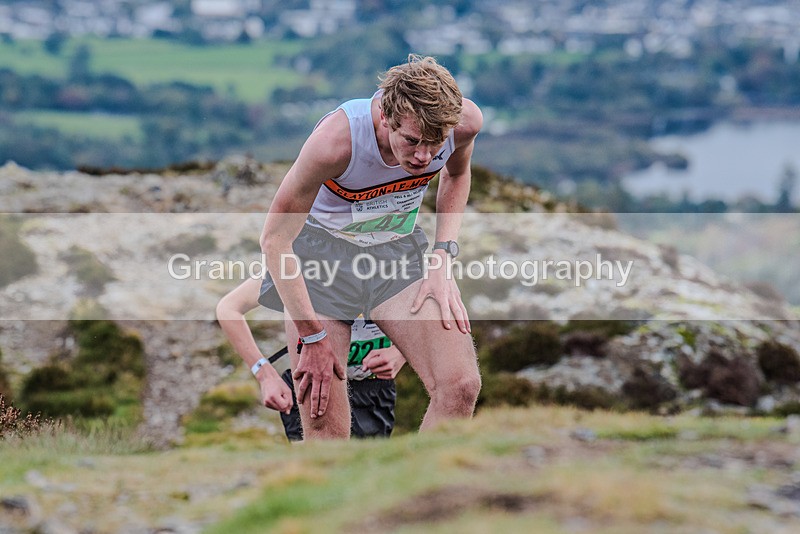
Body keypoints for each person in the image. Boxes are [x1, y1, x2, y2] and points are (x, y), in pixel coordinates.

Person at [258, 54, 483, 439]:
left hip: (396, 253)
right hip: (322, 260)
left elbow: (457, 174)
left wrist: (443, 255)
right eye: (411, 141)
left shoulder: (463, 124)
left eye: (434, 143)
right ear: (385, 118)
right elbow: (275, 240)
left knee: (460, 385)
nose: (423, 157)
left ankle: (421, 496)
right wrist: (311, 336)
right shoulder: (336, 142)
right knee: (322, 417)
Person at [216, 277, 406, 440]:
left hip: (374, 388)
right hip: (311, 385)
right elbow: (228, 308)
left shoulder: (389, 256)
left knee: (366, 475)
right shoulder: (305, 259)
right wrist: (265, 374)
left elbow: (428, 307)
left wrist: (399, 354)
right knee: (319, 470)